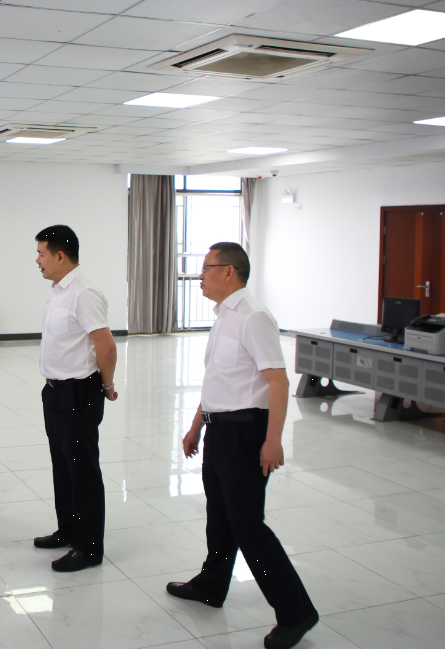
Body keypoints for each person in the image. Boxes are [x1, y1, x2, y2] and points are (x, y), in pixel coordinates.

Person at [166, 242, 318, 649]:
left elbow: (278, 382)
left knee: (248, 525)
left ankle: (296, 613)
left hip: (246, 434)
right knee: (220, 516)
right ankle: (211, 585)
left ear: (228, 271)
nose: (200, 275)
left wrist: (273, 441)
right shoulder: (224, 316)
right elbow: (219, 379)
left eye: (206, 268)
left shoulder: (254, 317)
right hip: (219, 430)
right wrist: (196, 426)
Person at [31, 225, 118, 572]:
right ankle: (68, 529)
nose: (37, 260)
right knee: (62, 467)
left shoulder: (84, 292)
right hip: (54, 391)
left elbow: (106, 347)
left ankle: (88, 548)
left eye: (41, 253)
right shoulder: (58, 290)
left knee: (82, 472)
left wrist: (106, 385)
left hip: (79, 393)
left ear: (59, 256)